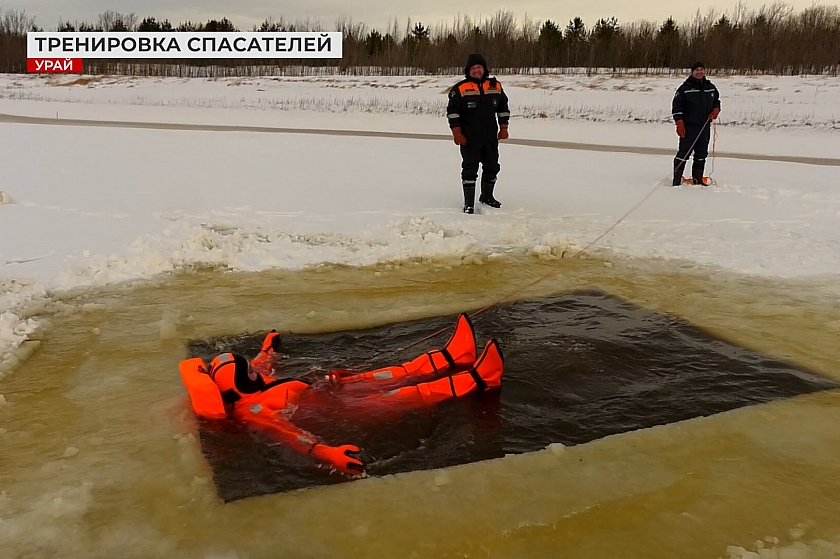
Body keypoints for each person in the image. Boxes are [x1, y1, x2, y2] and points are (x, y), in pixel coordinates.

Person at [178, 313, 504, 476]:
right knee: (401, 395)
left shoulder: (255, 381)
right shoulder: (255, 410)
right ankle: (478, 377)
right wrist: (328, 452)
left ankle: (454, 356)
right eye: (246, 371)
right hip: (344, 410)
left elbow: (263, 364)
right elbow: (292, 436)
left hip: (332, 391)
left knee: (390, 372)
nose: (253, 370)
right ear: (237, 386)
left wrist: (268, 347)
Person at [446, 53, 511, 213]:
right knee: (470, 168)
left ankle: (487, 196)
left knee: (492, 166)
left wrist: (504, 128)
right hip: (469, 138)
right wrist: (456, 132)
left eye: (479, 67)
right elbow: (453, 112)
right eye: (473, 68)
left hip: (490, 137)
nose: (476, 70)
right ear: (468, 70)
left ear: (484, 69)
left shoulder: (495, 86)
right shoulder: (460, 88)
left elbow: (503, 108)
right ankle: (469, 203)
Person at [671, 61, 721, 186]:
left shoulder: (710, 87)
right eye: (696, 70)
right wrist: (679, 123)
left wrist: (716, 109)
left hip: (704, 127)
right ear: (692, 72)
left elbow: (716, 100)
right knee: (684, 153)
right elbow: (677, 107)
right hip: (689, 127)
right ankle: (676, 180)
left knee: (701, 153)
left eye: (701, 70)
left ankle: (697, 179)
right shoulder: (684, 89)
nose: (699, 72)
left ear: (704, 71)